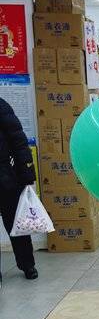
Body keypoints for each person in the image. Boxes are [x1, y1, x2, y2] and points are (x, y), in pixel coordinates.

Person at [0, 96, 38, 281]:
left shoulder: (1, 106)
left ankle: (27, 264)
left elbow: (18, 142)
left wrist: (26, 174)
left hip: (5, 176)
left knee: (16, 221)